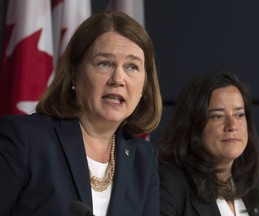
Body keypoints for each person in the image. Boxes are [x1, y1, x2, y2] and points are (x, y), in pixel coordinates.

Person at [0, 11, 162, 216]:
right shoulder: (25, 140)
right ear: (75, 75)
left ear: (144, 86)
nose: (118, 78)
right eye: (104, 63)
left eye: (132, 67)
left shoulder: (144, 159)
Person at [158, 71, 259, 216]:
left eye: (239, 115)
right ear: (193, 125)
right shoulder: (170, 184)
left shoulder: (257, 194)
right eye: (217, 116)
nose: (232, 125)